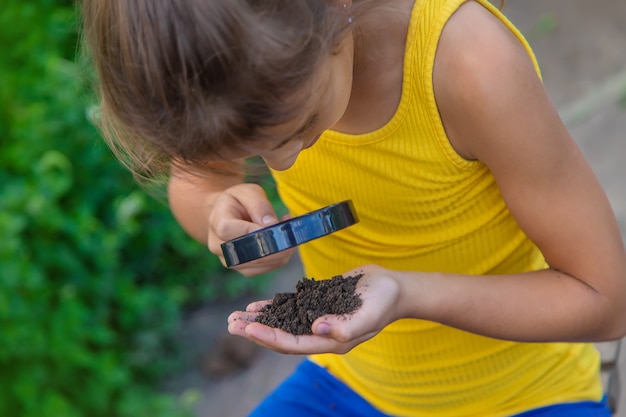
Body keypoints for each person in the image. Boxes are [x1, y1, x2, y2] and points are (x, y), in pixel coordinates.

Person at [81, 0, 626, 415]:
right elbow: (194, 178)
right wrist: (217, 216)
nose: (285, 158)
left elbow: (605, 299)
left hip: (524, 395)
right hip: (353, 386)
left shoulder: (468, 66)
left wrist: (407, 293)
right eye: (254, 150)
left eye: (296, 127)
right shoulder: (233, 62)